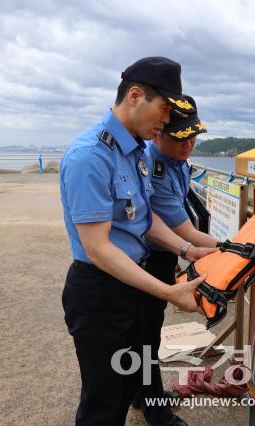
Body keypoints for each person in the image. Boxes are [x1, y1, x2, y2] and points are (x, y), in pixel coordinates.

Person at [60, 57, 215, 426]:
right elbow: (98, 248)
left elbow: (143, 222)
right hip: (100, 292)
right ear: (134, 96)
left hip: (130, 284)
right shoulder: (90, 157)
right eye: (164, 109)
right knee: (104, 405)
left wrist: (189, 249)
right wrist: (167, 292)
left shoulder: (131, 152)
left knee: (136, 370)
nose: (165, 121)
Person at [133, 96, 218, 425]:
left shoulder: (177, 161)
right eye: (181, 139)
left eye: (193, 137)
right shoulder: (154, 169)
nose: (189, 146)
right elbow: (189, 235)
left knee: (147, 332)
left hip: (163, 254)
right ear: (158, 136)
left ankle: (143, 394)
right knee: (145, 334)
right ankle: (155, 411)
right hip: (147, 260)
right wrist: (237, 247)